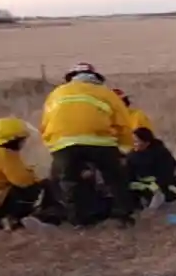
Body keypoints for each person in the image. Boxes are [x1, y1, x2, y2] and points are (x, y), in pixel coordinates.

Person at [41, 62, 136, 227]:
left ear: (70, 78)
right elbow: (124, 123)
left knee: (69, 181)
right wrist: (123, 151)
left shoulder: (55, 94)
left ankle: (78, 220)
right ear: (96, 78)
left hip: (63, 144)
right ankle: (121, 216)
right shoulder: (105, 93)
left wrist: (55, 151)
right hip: (100, 142)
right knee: (115, 178)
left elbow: (45, 125)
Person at [0, 117, 52, 231]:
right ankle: (11, 219)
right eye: (21, 139)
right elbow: (23, 181)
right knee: (31, 190)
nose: (23, 142)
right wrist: (40, 181)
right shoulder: (4, 155)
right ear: (12, 140)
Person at [126, 127, 176, 209]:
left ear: (147, 142)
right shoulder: (132, 156)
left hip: (162, 186)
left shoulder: (160, 153)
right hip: (144, 187)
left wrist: (157, 185)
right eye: (133, 141)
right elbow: (129, 175)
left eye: (137, 141)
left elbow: (167, 173)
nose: (134, 144)